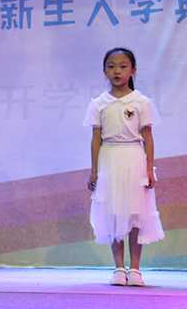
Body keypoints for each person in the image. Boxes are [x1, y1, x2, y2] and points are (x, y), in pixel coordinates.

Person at [84, 48, 164, 287]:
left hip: (134, 157)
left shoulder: (141, 102)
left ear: (133, 70)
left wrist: (149, 168)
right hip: (109, 158)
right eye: (111, 66)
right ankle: (119, 267)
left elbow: (147, 137)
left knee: (136, 214)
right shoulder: (99, 103)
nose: (116, 71)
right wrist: (94, 171)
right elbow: (96, 139)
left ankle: (135, 269)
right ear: (104, 71)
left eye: (122, 66)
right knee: (114, 213)